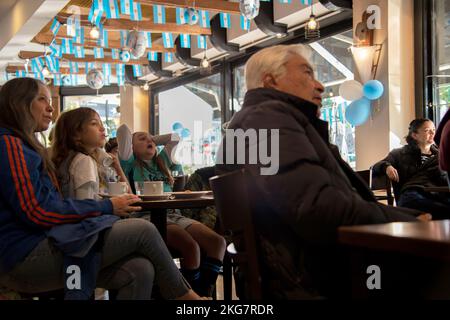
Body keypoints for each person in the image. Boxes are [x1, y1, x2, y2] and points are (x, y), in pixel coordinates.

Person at [215, 44, 428, 299]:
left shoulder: (264, 122)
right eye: (307, 73)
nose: (320, 86)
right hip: (318, 279)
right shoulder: (264, 122)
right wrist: (411, 225)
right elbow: (316, 207)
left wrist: (413, 216)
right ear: (270, 81)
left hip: (318, 268)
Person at [0, 78, 202, 300]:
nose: (50, 107)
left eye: (50, 100)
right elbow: (38, 211)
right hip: (22, 256)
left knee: (140, 269)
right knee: (145, 230)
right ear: (18, 103)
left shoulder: (25, 147)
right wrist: (107, 207)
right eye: (41, 99)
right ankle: (187, 299)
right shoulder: (11, 144)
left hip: (44, 243)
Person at [117, 124, 226, 296]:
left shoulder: (161, 161)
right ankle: (189, 297)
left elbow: (174, 137)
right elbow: (123, 130)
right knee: (191, 247)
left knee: (218, 242)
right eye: (142, 138)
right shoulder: (128, 164)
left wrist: (152, 139)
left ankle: (202, 292)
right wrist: (139, 141)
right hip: (146, 216)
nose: (149, 140)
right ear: (131, 148)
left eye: (150, 138)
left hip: (173, 214)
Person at [373, 119, 450, 219]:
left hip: (438, 194)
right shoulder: (399, 153)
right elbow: (376, 166)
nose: (432, 133)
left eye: (434, 129)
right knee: (411, 201)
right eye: (427, 130)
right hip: (412, 194)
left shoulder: (441, 155)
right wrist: (387, 167)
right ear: (414, 135)